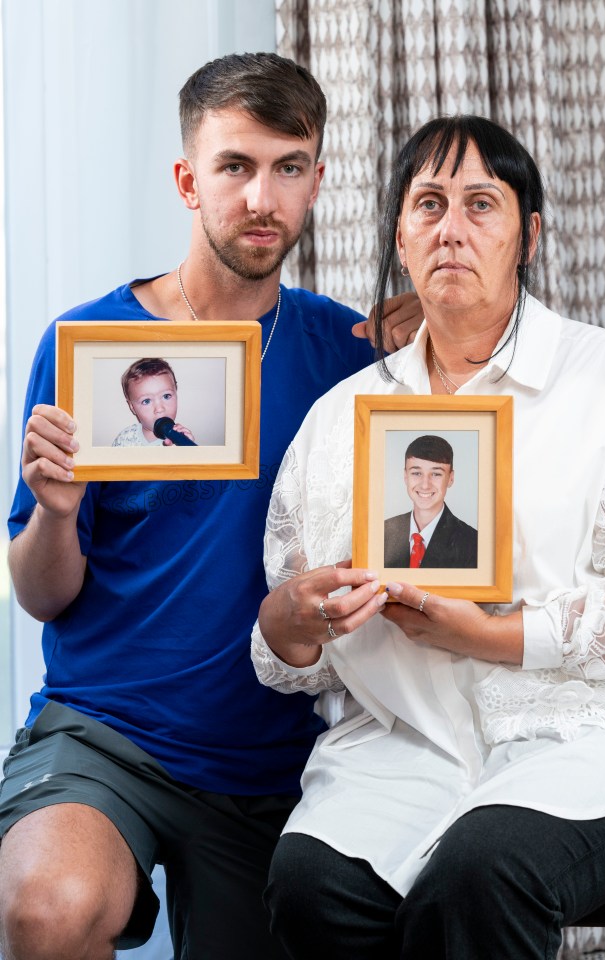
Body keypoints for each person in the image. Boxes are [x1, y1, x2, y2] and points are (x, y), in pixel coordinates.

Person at [252, 115, 605, 960]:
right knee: (309, 884)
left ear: (528, 235)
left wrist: (500, 636)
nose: (451, 228)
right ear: (401, 238)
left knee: (482, 874)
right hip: (411, 740)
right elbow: (292, 651)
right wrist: (290, 626)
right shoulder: (340, 423)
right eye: (428, 204)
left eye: (482, 204)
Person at [0, 52, 421, 960]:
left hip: (279, 764)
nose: (261, 199)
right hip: (107, 731)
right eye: (235, 167)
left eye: (288, 167)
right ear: (191, 180)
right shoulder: (88, 348)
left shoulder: (351, 357)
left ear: (317, 180)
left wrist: (435, 346)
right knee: (46, 909)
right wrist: (59, 512)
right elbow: (40, 595)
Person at [384, 434, 478, 568]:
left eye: (436, 474)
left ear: (451, 478)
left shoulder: (473, 543)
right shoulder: (383, 533)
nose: (425, 485)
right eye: (416, 473)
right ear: (406, 476)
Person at [112, 357, 196, 446]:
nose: (159, 409)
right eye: (146, 401)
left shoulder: (181, 440)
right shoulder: (125, 439)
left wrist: (189, 451)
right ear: (132, 407)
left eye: (166, 396)